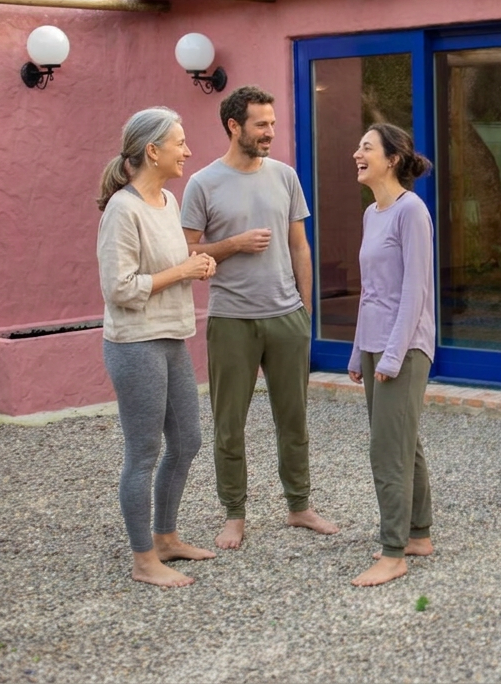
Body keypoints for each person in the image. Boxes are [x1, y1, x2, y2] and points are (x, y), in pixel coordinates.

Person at [181, 85, 338, 549]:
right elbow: (187, 252)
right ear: (234, 126)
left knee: (294, 420)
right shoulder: (202, 183)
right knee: (229, 424)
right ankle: (234, 514)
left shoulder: (285, 176)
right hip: (231, 320)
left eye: (272, 123)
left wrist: (306, 310)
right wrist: (234, 244)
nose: (270, 132)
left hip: (287, 318)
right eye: (261, 124)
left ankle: (299, 506)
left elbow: (299, 246)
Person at [96, 107, 217, 587]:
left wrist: (196, 263)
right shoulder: (122, 210)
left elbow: (169, 264)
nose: (187, 151)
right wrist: (182, 271)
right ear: (152, 151)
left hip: (170, 337)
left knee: (187, 441)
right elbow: (118, 288)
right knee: (143, 452)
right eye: (179, 143)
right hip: (135, 344)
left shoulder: (168, 201)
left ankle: (166, 538)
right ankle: (143, 559)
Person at [347, 123, 436, 587]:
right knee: (403, 441)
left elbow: (415, 290)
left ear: (392, 159)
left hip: (404, 347)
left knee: (387, 451)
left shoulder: (411, 211)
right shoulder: (371, 213)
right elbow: (371, 291)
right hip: (374, 343)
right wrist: (358, 350)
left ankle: (393, 552)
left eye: (367, 148)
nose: (357, 154)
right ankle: (418, 533)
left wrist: (392, 355)